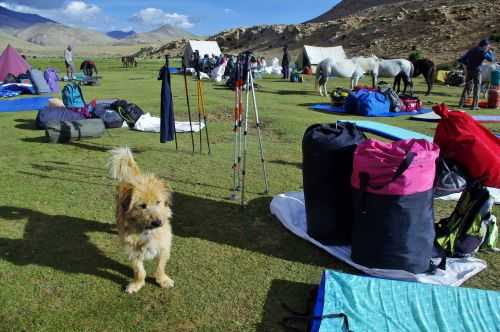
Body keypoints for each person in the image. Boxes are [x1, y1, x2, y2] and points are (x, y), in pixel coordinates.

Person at [458, 39, 496, 110]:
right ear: (485, 45)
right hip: (477, 71)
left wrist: (467, 65)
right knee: (477, 88)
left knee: (467, 87)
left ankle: (461, 104)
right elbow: (492, 60)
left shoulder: (472, 49)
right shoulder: (483, 51)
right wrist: (490, 52)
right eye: (487, 46)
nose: (488, 47)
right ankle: (474, 105)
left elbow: (461, 59)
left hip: (469, 70)